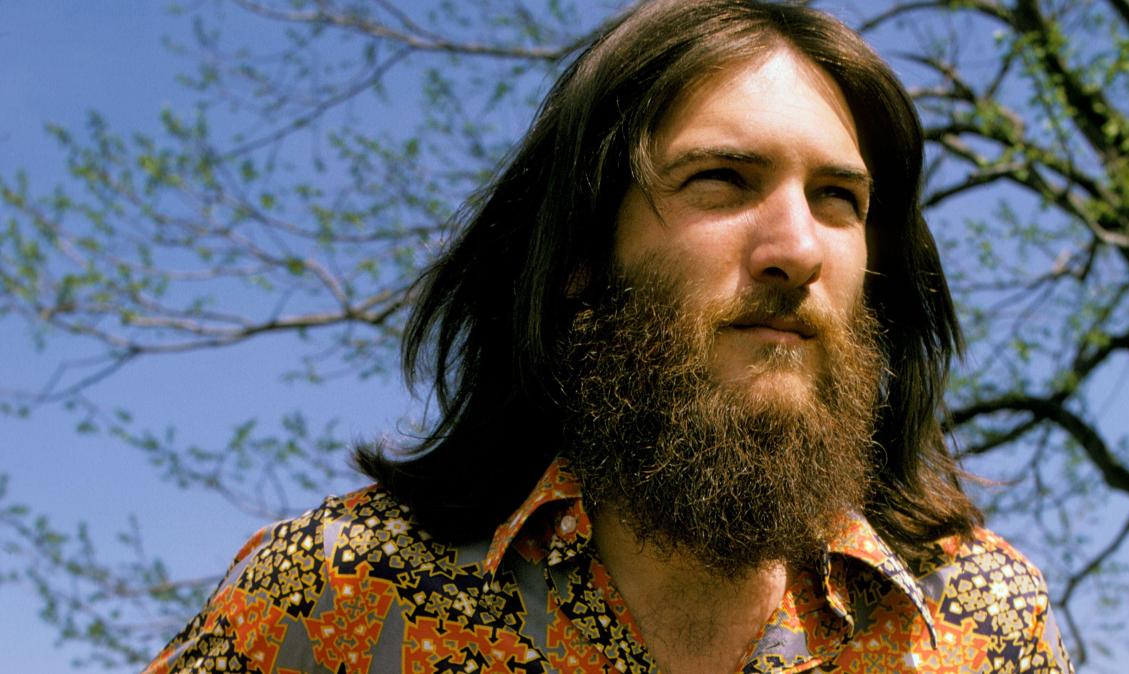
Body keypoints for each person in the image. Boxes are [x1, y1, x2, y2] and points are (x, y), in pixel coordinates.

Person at [145, 1, 1075, 672]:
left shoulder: (984, 625)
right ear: (581, 255)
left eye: (839, 198)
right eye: (722, 180)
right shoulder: (339, 594)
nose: (797, 248)